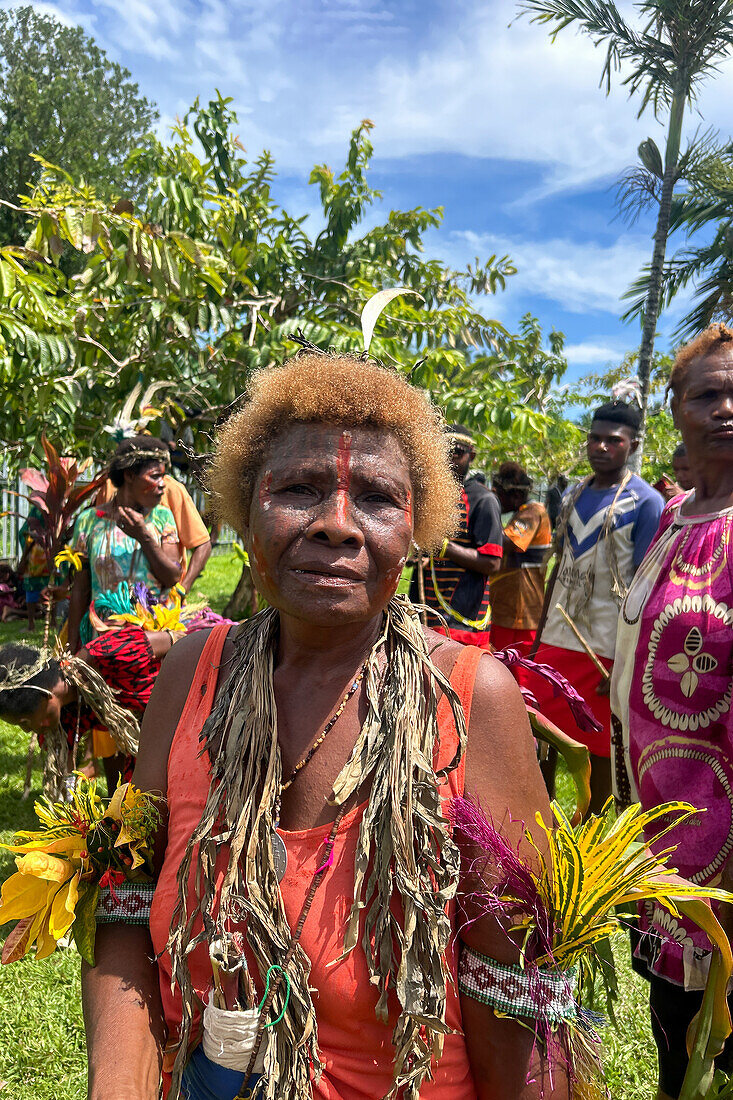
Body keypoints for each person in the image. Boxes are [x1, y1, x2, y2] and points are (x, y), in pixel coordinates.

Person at [82, 352, 568, 1100]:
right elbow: (126, 905)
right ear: (245, 508)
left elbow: (518, 994)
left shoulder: (471, 700)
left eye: (375, 498)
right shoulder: (190, 675)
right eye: (299, 489)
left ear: (418, 527)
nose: (336, 524)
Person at [611, 324, 733, 1100]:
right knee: (675, 1043)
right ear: (676, 410)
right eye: (707, 393)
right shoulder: (676, 514)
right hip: (662, 831)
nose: (726, 408)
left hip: (726, 844)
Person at [531, 400, 664, 814]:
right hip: (559, 633)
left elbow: (646, 586)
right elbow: (558, 567)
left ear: (633, 445)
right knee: (545, 734)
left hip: (607, 646)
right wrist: (538, 635)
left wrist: (628, 661)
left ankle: (593, 831)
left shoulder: (645, 503)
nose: (601, 447)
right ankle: (540, 812)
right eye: (595, 438)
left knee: (602, 745)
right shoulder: (572, 493)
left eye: (614, 440)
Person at [0, 627, 176, 792]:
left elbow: (177, 642)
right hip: (154, 749)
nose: (27, 730)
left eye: (25, 723)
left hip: (188, 720)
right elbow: (65, 774)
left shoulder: (106, 653)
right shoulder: (65, 717)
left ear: (46, 697)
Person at [67, 436, 181, 653]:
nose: (162, 484)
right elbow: (80, 590)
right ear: (129, 475)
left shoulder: (162, 518)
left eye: (163, 476)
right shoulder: (90, 521)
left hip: (151, 642)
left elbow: (172, 577)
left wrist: (144, 537)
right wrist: (72, 647)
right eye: (155, 476)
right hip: (102, 641)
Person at [409, 424, 502, 647]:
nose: (450, 458)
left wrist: (443, 547)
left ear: (472, 455)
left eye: (457, 452)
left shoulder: (483, 499)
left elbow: (491, 563)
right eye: (444, 451)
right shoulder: (426, 495)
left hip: (460, 620)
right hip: (420, 615)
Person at [97, 468, 212, 594]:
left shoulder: (171, 491)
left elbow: (202, 544)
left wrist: (182, 590)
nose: (160, 484)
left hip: (160, 605)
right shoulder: (110, 487)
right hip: (111, 603)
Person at [489, 462, 552, 659]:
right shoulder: (521, 513)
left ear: (515, 495)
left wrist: (485, 518)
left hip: (521, 614)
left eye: (498, 495)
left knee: (516, 672)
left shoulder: (533, 512)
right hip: (508, 610)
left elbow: (508, 542)